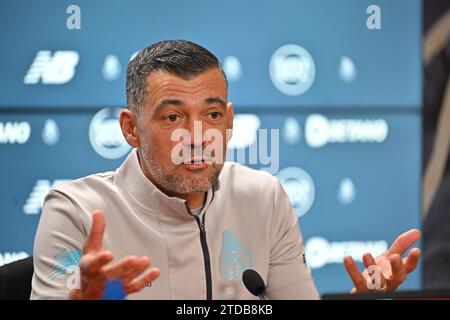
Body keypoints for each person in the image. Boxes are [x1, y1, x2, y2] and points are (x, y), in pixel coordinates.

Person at [30, 40, 421, 300]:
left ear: (229, 120)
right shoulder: (73, 210)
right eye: (172, 117)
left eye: (213, 115)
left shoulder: (262, 195)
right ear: (131, 129)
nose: (197, 136)